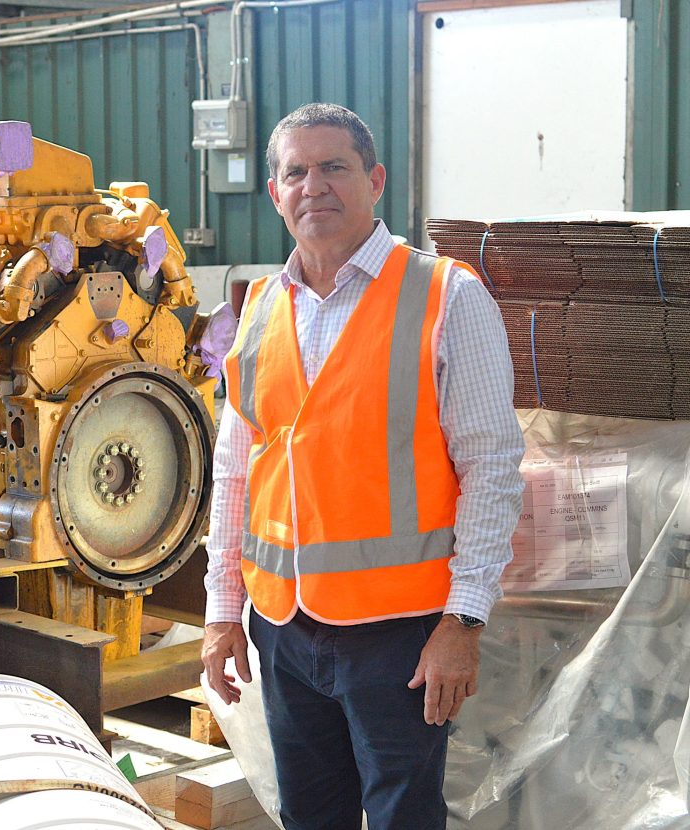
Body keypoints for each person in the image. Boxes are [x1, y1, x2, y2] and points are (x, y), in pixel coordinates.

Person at [201, 103, 524, 829]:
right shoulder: (258, 308)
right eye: (295, 172)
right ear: (275, 192)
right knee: (309, 817)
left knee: (403, 816)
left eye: (334, 167)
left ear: (375, 181)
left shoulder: (446, 295)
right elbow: (236, 470)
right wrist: (224, 612)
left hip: (400, 636)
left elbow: (492, 468)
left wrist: (463, 621)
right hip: (283, 629)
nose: (313, 185)